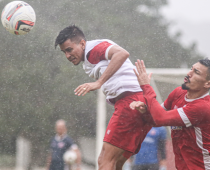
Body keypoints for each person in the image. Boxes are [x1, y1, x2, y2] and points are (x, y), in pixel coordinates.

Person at [54, 25, 153, 170]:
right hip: (139, 104)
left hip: (130, 103)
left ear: (82, 43)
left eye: (69, 49)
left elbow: (122, 53)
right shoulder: (87, 59)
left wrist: (99, 82)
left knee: (104, 161)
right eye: (64, 52)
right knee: (117, 163)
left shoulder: (94, 48)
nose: (67, 56)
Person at [130, 59, 210, 170]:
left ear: (208, 83)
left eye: (197, 72)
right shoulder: (178, 93)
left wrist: (146, 86)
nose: (189, 73)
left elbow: (159, 118)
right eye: (191, 69)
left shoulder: (204, 107)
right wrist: (145, 110)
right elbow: (154, 119)